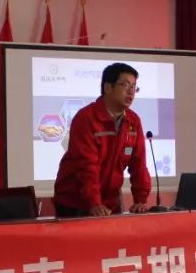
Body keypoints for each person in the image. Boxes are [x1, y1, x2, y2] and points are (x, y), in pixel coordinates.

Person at [53, 62, 151, 217]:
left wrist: (141, 200)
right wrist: (94, 203)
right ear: (108, 88)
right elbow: (86, 166)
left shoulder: (133, 121)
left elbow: (138, 165)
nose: (131, 92)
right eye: (125, 85)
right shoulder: (86, 118)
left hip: (109, 203)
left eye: (134, 87)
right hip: (75, 203)